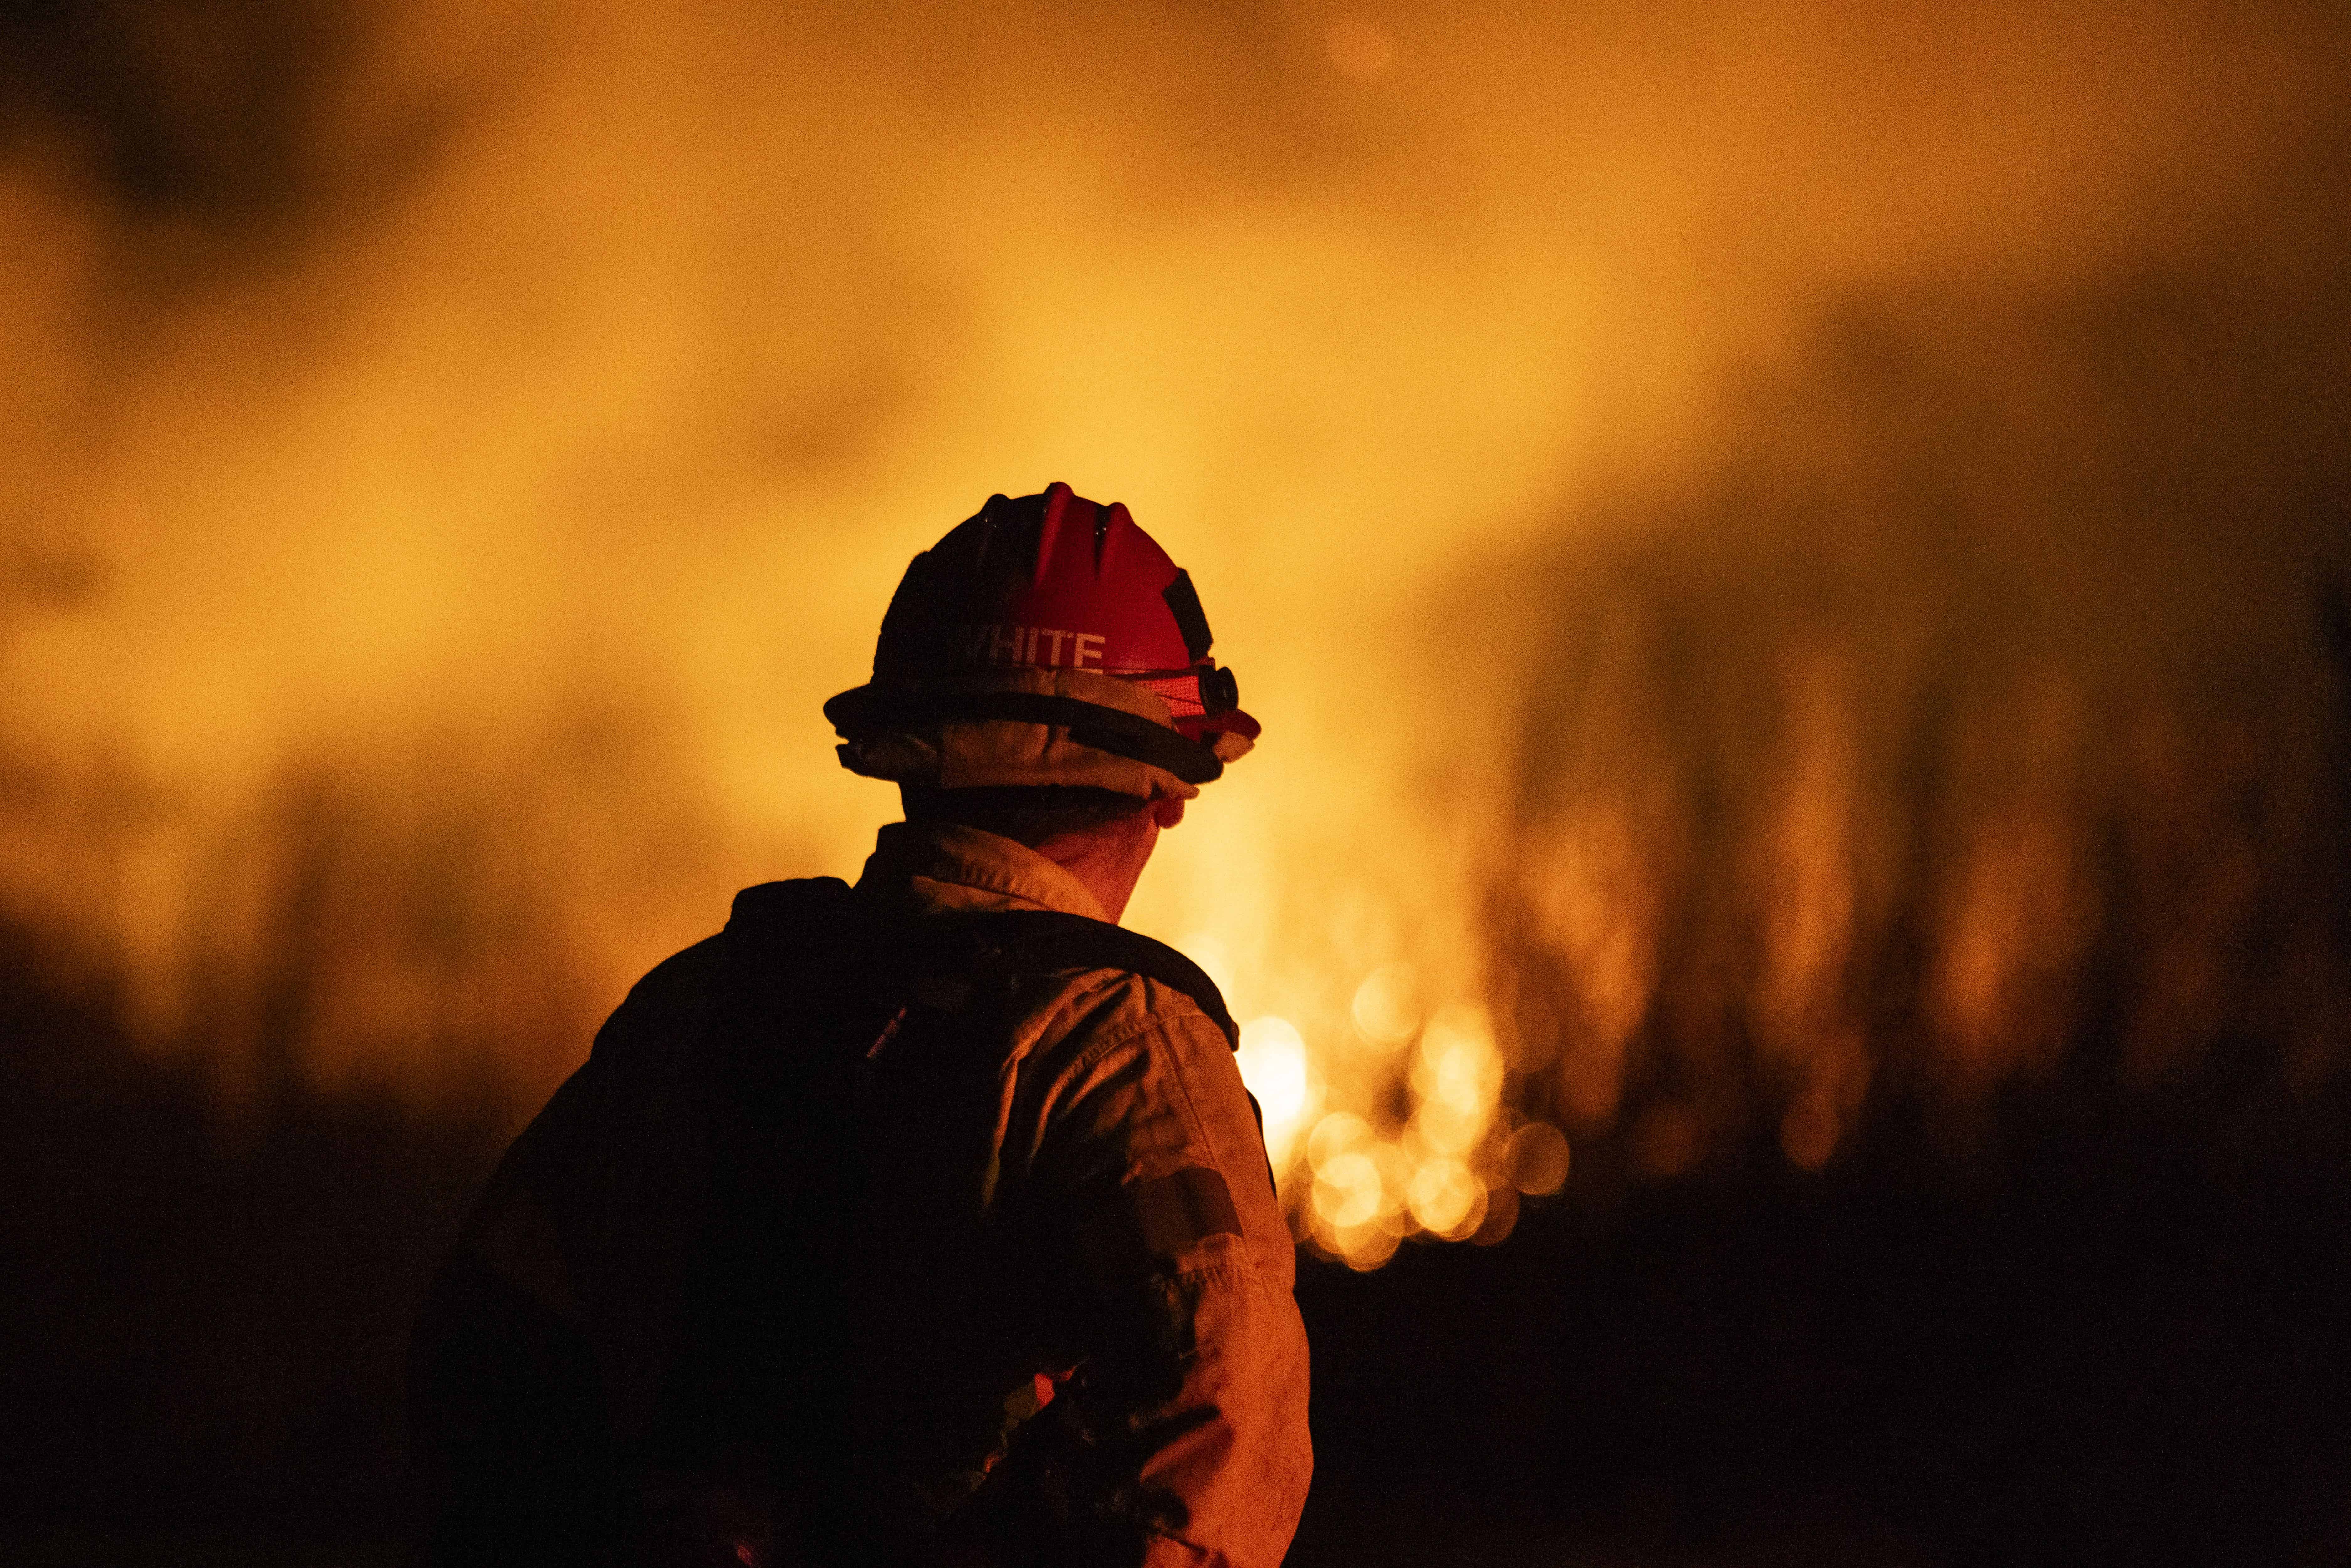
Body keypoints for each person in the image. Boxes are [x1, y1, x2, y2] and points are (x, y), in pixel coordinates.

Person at [410, 483, 1312, 1568]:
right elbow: (1214, 1427)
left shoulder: (696, 1007)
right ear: (1163, 787)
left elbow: (483, 1353)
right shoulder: (1121, 1047)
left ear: (906, 747)